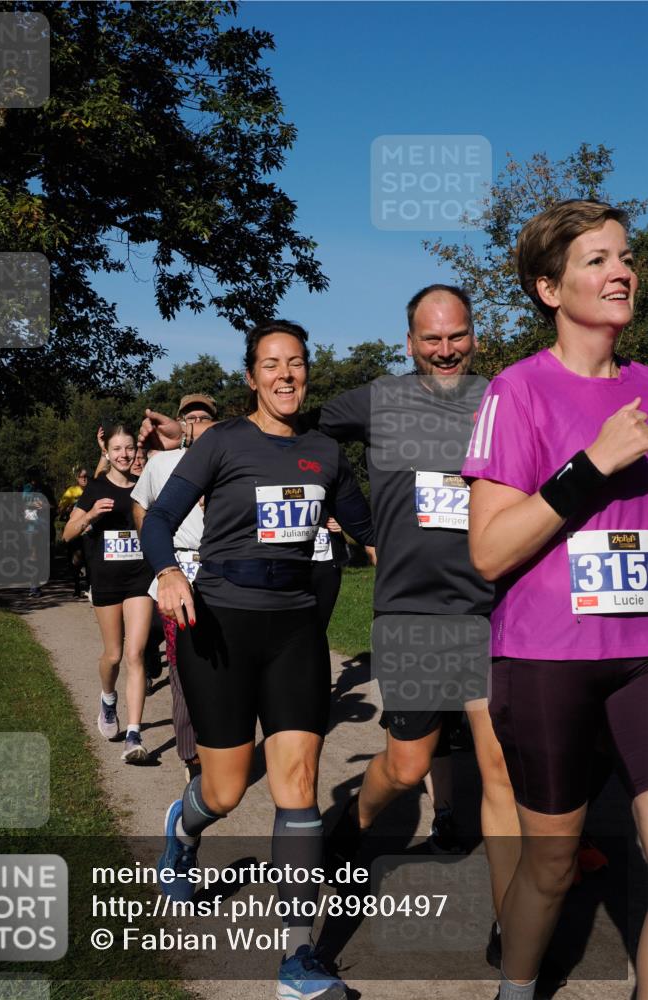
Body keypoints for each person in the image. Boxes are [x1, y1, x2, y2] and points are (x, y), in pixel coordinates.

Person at [142, 320, 374, 1000]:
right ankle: (182, 833)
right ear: (251, 377)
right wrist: (168, 574)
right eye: (271, 364)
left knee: (297, 783)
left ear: (307, 371)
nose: (285, 375)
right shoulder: (222, 441)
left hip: (297, 630)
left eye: (296, 363)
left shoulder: (326, 452)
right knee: (225, 786)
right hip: (220, 625)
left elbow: (366, 531)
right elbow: (159, 520)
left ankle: (298, 959)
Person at [463, 200, 648, 1000]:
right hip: (547, 657)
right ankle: (516, 988)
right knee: (552, 860)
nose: (621, 271)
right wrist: (592, 465)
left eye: (624, 255)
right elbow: (489, 550)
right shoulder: (517, 391)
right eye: (596, 260)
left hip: (643, 654)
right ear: (548, 287)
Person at [316, 285, 520, 973]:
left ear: (474, 336)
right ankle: (351, 827)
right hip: (413, 612)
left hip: (492, 607)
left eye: (455, 336)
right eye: (430, 339)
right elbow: (299, 431)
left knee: (500, 767)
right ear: (409, 343)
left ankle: (513, 923)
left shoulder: (502, 400)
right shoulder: (379, 401)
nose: (443, 350)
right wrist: (350, 515)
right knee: (406, 767)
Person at [132, 393, 219, 782]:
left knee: (224, 663)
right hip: (178, 569)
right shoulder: (161, 463)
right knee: (183, 666)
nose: (196, 424)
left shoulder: (230, 459)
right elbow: (141, 506)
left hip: (221, 570)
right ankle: (191, 755)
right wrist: (158, 555)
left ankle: (221, 742)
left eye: (204, 417)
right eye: (190, 418)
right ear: (180, 424)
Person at [63, 423, 153, 764]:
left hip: (140, 579)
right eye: (117, 449)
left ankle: (133, 734)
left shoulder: (145, 486)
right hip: (106, 580)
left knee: (136, 654)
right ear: (109, 453)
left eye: (129, 448)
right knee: (114, 656)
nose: (124, 455)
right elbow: (68, 534)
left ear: (135, 451)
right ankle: (108, 697)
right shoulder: (96, 488)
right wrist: (89, 515)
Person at [58, 466, 90, 597]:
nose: (85, 479)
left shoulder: (93, 489)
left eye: (87, 477)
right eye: (82, 477)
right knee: (76, 559)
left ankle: (89, 587)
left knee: (90, 559)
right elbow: (60, 510)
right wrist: (68, 509)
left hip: (90, 530)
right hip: (76, 530)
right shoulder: (71, 491)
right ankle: (77, 587)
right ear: (77, 478)